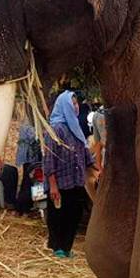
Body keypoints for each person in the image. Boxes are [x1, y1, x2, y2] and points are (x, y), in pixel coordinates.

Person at [42, 91, 97, 258]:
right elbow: (49, 159)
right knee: (59, 214)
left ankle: (67, 247)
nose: (76, 106)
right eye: (72, 103)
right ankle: (58, 247)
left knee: (74, 213)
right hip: (60, 183)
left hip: (76, 181)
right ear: (64, 105)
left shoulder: (75, 128)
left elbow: (85, 154)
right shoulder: (55, 130)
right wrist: (52, 185)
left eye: (76, 103)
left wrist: (97, 169)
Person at [15, 116, 44, 216]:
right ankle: (24, 208)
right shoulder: (28, 126)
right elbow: (34, 138)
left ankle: (24, 207)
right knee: (29, 182)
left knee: (27, 182)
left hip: (30, 159)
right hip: (30, 159)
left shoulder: (27, 124)